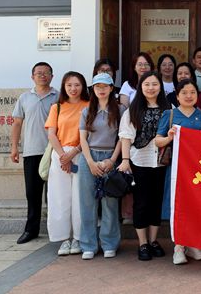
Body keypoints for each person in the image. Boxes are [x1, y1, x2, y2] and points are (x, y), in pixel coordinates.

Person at [118, 71, 171, 261]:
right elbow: (125, 137)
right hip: (139, 161)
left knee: (156, 202)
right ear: (141, 87)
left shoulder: (168, 108)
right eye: (147, 84)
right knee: (141, 203)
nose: (151, 88)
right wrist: (125, 160)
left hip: (161, 161)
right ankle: (143, 243)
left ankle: (154, 240)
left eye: (154, 84)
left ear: (160, 87)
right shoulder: (133, 110)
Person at [155, 79, 201, 265]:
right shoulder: (169, 114)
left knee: (195, 206)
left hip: (198, 170)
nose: (188, 96)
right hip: (176, 170)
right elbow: (157, 141)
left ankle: (192, 245)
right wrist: (169, 137)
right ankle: (178, 247)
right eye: (184, 92)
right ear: (177, 96)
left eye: (192, 92)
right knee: (178, 206)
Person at [77, 73, 124, 260]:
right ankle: (88, 244)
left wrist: (112, 160)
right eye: (98, 87)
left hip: (110, 156)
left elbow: (122, 137)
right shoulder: (87, 111)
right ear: (93, 89)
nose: (101, 90)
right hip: (89, 157)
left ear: (111, 88)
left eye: (105, 86)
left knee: (110, 202)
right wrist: (90, 162)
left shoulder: (120, 110)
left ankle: (109, 243)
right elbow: (83, 138)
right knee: (87, 202)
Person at [11, 62, 59, 244]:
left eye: (46, 73)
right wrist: (14, 147)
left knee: (54, 194)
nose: (42, 76)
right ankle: (31, 230)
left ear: (52, 76)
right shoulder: (24, 98)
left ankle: (56, 230)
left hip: (54, 151)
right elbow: (17, 123)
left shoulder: (59, 96)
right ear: (32, 77)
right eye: (39, 73)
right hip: (31, 151)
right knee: (32, 193)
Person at [45, 71, 90, 256]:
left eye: (77, 84)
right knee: (59, 197)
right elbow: (51, 134)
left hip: (82, 153)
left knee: (80, 197)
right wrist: (63, 156)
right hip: (60, 155)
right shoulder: (56, 107)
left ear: (83, 86)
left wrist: (73, 153)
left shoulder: (89, 105)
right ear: (64, 86)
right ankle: (64, 239)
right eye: (69, 85)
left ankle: (79, 237)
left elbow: (91, 133)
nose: (73, 88)